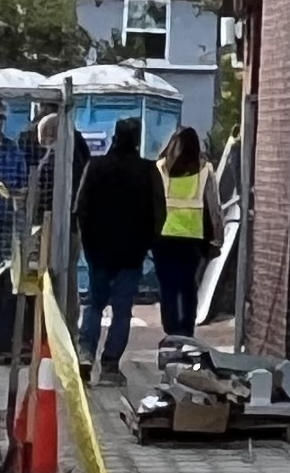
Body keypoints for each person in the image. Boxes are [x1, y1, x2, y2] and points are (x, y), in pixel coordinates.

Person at [73, 115, 165, 374]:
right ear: (137, 140)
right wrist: (149, 241)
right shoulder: (148, 170)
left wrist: (87, 241)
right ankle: (111, 361)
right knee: (122, 309)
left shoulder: (96, 166)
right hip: (131, 252)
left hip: (98, 250)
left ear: (114, 137)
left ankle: (86, 354)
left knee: (94, 303)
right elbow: (159, 211)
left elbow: (80, 206)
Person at [154, 124, 211, 340]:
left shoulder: (160, 168)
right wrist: (216, 239)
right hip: (193, 237)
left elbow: (153, 202)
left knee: (168, 287)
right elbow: (212, 207)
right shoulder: (205, 171)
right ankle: (186, 331)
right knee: (189, 287)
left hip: (164, 237)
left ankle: (170, 330)